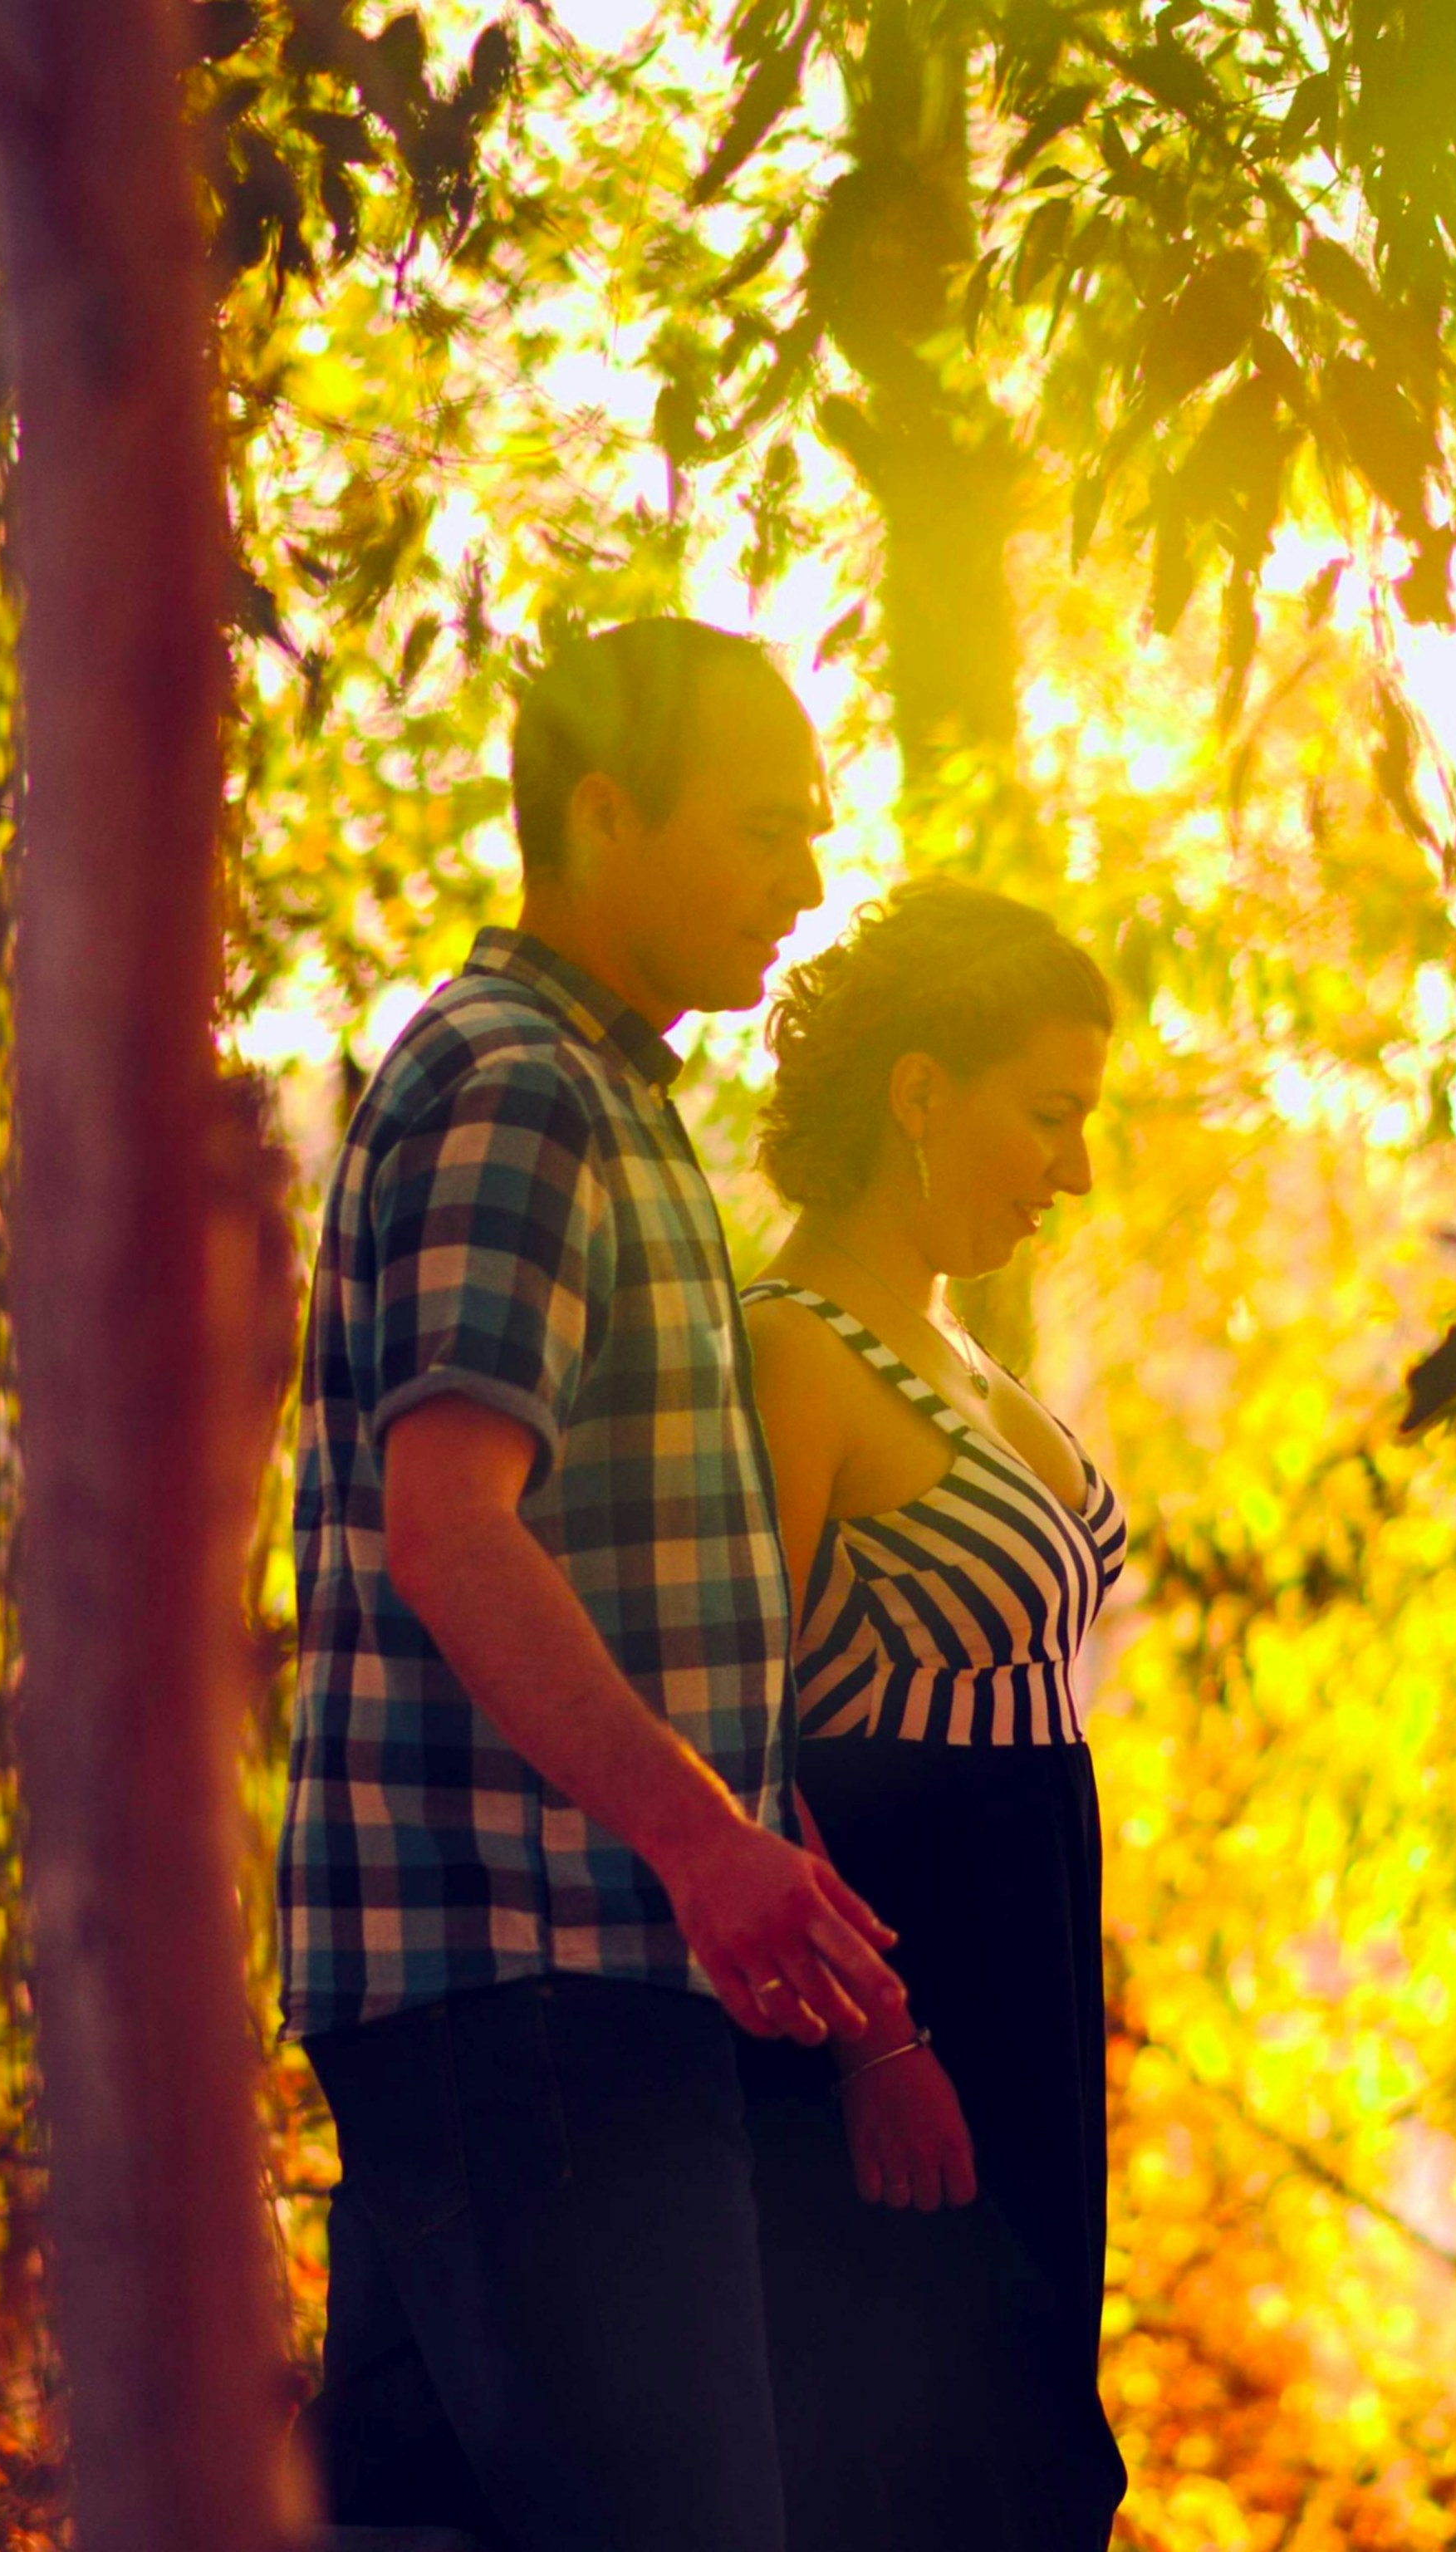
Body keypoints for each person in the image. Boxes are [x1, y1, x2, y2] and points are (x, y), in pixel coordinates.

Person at [282, 617, 913, 2552]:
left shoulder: (605, 1090)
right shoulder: (519, 1087)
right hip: (534, 1980)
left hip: (514, 1984)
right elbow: (455, 1526)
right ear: (604, 814)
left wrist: (754, 1823)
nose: (806, 880)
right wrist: (698, 1839)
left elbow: (608, 1554)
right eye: (762, 828)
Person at [738, 879, 1131, 2551]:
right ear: (917, 1091)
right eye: (1048, 1115)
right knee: (940, 2467)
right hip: (907, 1992)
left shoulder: (962, 1350)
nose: (1076, 1169)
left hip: (1025, 1962)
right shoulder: (793, 1351)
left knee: (1038, 2457)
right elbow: (734, 1737)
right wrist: (876, 2039)